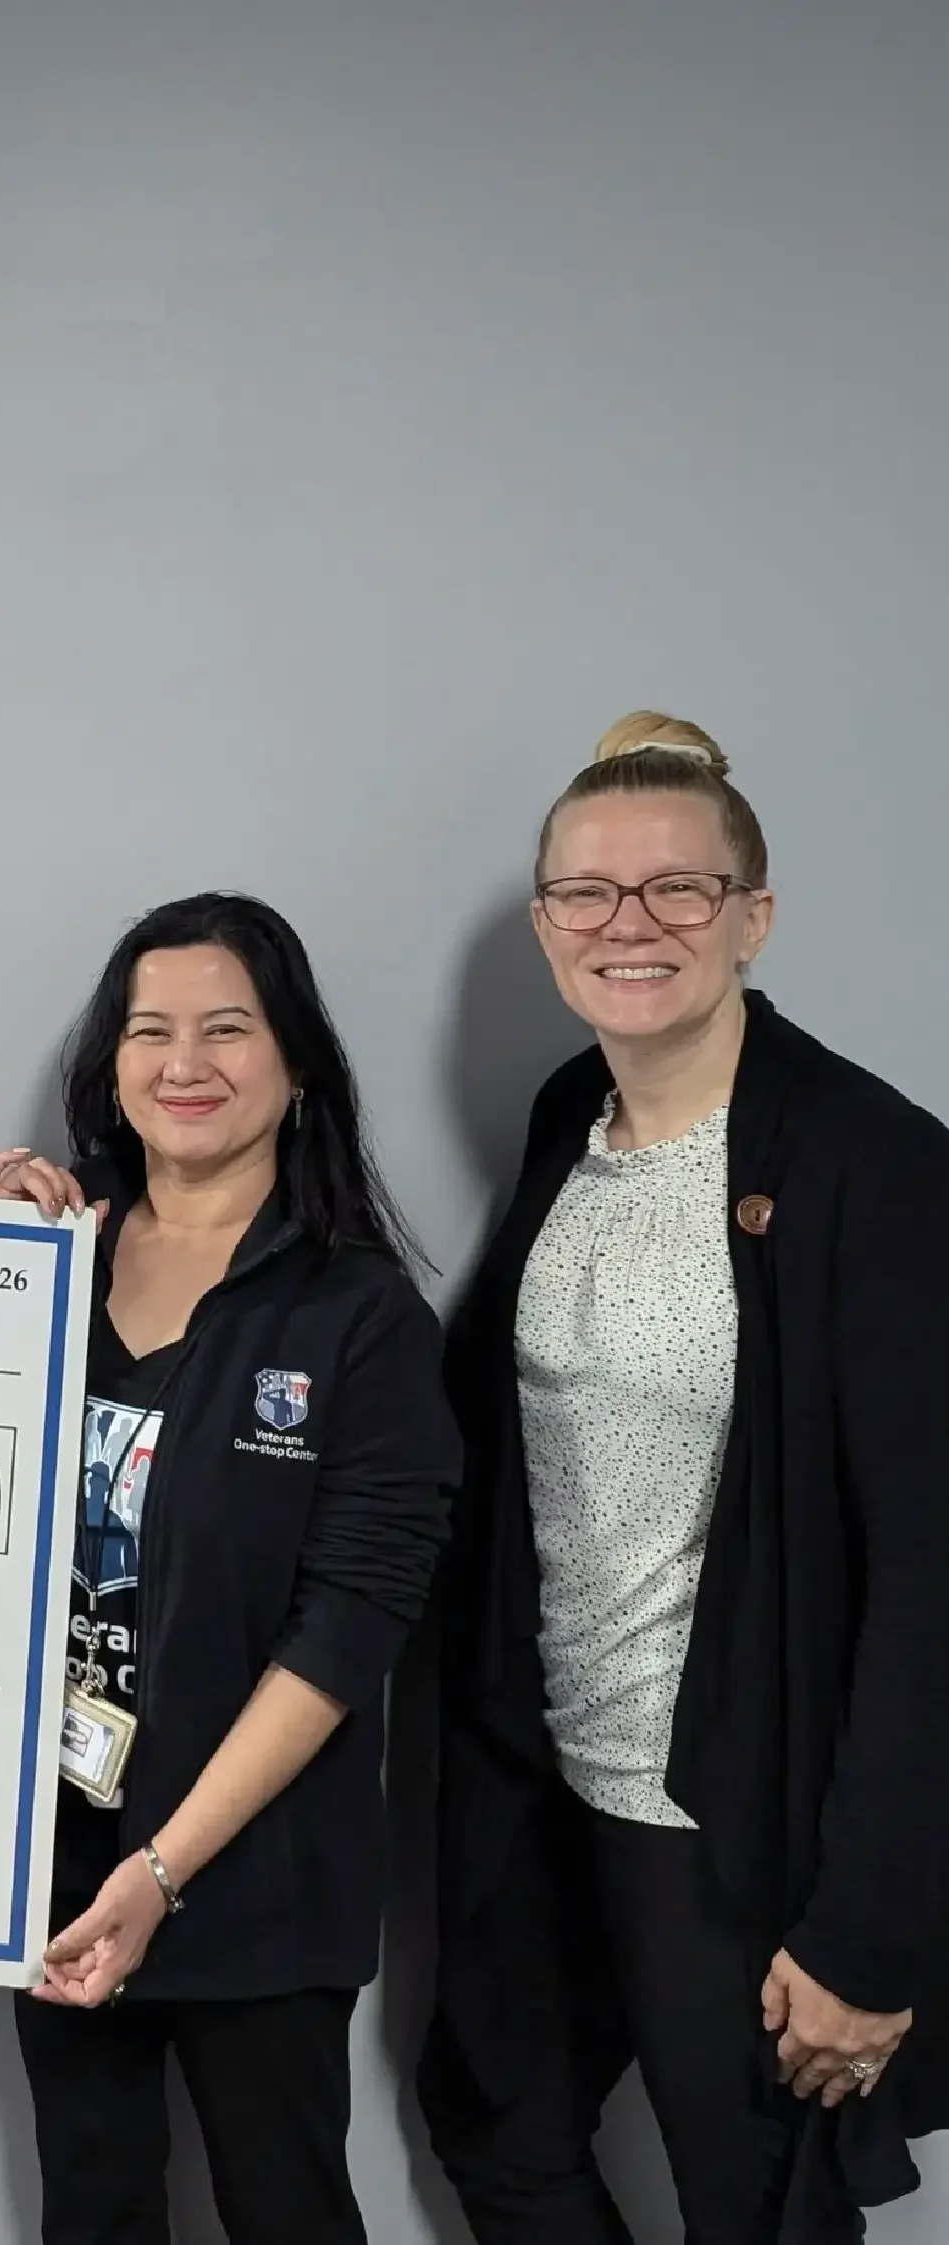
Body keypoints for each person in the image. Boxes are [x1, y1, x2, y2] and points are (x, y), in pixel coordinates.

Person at [420, 715, 949, 2245]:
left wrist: (867, 1927)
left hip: (729, 1812)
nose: (627, 925)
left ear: (751, 917)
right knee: (498, 2127)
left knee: (756, 2209)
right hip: (541, 1767)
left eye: (676, 891)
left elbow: (930, 1576)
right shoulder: (559, 1130)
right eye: (587, 894)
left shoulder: (874, 1167)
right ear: (544, 926)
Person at [0, 892, 457, 2245]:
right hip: (54, 1849)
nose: (185, 1063)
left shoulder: (359, 1315)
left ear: (295, 1064)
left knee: (284, 2209)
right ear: (111, 1065)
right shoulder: (45, 1264)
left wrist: (165, 1869)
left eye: (227, 1029)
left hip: (253, 1874)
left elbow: (347, 1631)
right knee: (95, 2203)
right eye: (152, 1031)